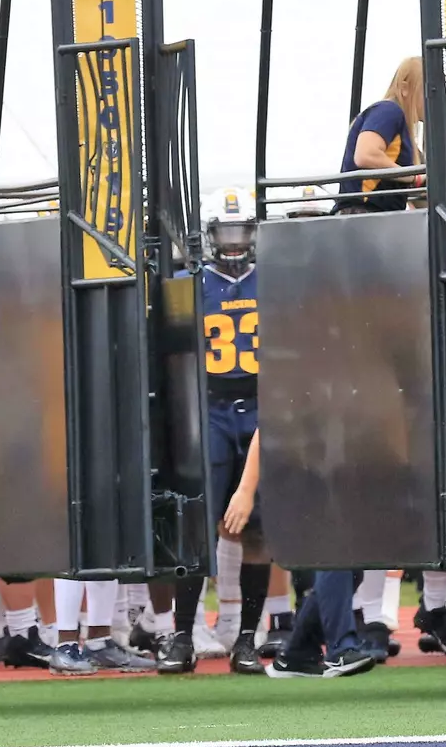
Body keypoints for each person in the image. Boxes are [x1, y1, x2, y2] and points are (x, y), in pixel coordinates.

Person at [158, 187, 266, 675]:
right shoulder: (191, 283)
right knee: (198, 522)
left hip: (262, 404)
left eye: (240, 230)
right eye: (225, 231)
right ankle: (183, 634)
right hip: (213, 406)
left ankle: (246, 637)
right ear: (210, 235)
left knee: (258, 528)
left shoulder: (272, 281)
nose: (234, 241)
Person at [220, 432, 374, 678]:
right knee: (336, 554)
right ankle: (341, 649)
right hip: (295, 472)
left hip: (335, 471)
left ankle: (299, 653)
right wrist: (245, 492)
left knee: (352, 569)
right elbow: (268, 427)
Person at [337, 57, 424, 213]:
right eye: (426, 90)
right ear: (405, 88)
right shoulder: (389, 111)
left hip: (379, 218)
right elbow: (365, 155)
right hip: (365, 215)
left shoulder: (405, 139)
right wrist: (413, 177)